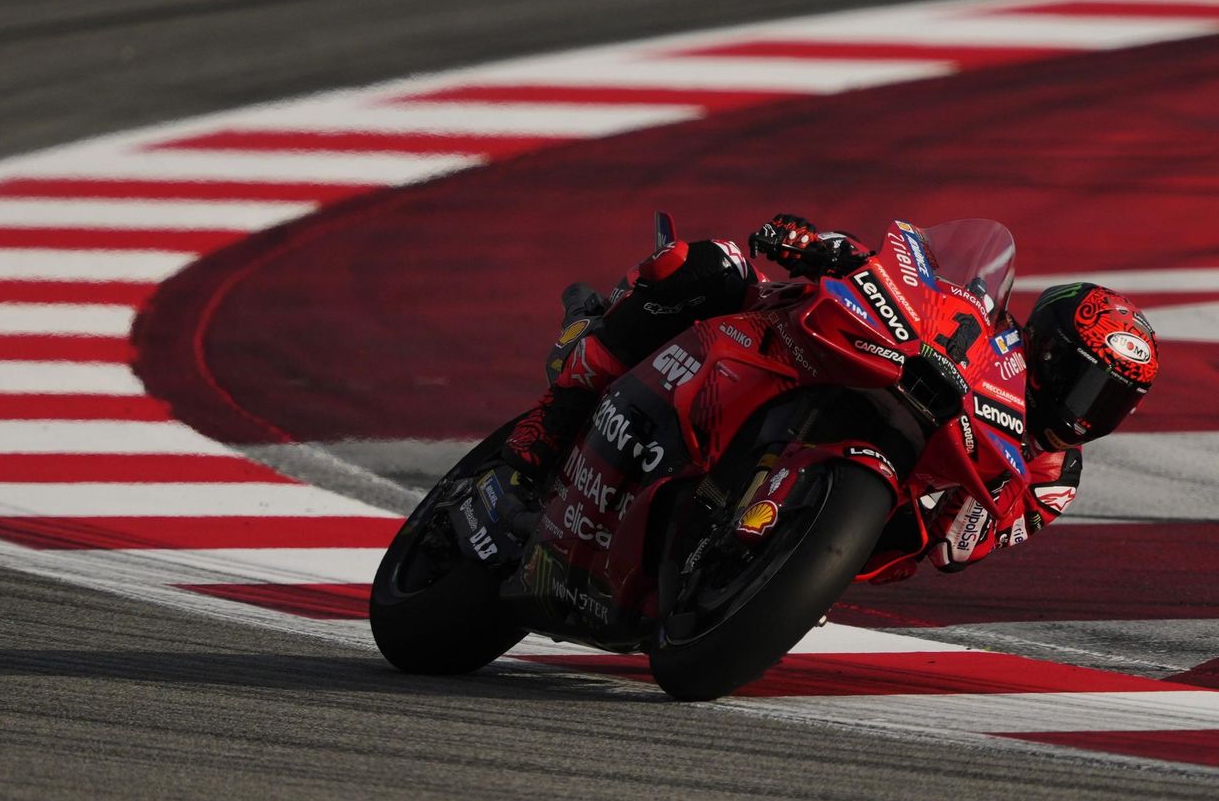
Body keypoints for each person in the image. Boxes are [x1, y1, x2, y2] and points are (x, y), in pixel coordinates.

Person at [478, 214, 1160, 582]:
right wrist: (827, 250)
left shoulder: (1051, 475)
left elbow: (955, 550)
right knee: (710, 265)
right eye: (1086, 381)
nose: (1087, 410)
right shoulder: (984, 330)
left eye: (1112, 401)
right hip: (807, 361)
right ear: (1044, 345)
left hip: (864, 507)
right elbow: (911, 279)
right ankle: (552, 419)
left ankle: (761, 562)